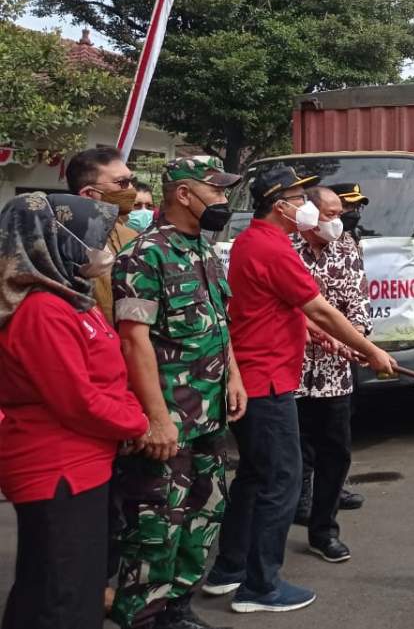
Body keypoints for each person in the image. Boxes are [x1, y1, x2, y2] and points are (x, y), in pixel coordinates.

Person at [203, 166, 400, 615]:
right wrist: (371, 351)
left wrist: (312, 331)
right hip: (266, 379)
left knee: (255, 477)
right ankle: (260, 586)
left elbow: (287, 308)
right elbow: (322, 308)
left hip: (261, 373)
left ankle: (228, 569)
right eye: (300, 198)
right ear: (281, 207)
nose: (308, 206)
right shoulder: (273, 247)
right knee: (282, 480)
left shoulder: (256, 241)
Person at [110, 157, 248, 629]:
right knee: (156, 529)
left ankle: (176, 610)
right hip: (169, 419)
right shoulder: (145, 254)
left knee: (203, 516)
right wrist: (157, 417)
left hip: (209, 415)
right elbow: (133, 339)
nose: (224, 201)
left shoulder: (204, 252)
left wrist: (234, 375)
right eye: (216, 191)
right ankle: (142, 616)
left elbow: (217, 324)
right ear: (184, 194)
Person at [0, 193, 150, 629]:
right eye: (91, 240)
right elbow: (77, 399)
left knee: (61, 583)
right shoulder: (42, 310)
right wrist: (137, 421)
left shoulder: (67, 298)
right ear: (55, 243)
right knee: (60, 593)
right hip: (57, 466)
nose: (102, 252)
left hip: (83, 461)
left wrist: (127, 408)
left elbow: (106, 378)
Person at [290, 187, 372, 563]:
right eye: (328, 213)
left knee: (335, 452)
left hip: (335, 371)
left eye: (339, 213)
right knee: (292, 455)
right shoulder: (286, 249)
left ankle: (323, 531)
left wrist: (359, 343)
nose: (336, 221)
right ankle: (285, 520)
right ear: (307, 214)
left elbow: (357, 300)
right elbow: (289, 309)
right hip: (290, 369)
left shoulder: (347, 247)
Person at [66, 145, 141, 326]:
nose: (131, 189)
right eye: (122, 183)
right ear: (89, 194)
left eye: (132, 181)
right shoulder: (66, 244)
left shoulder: (132, 236)